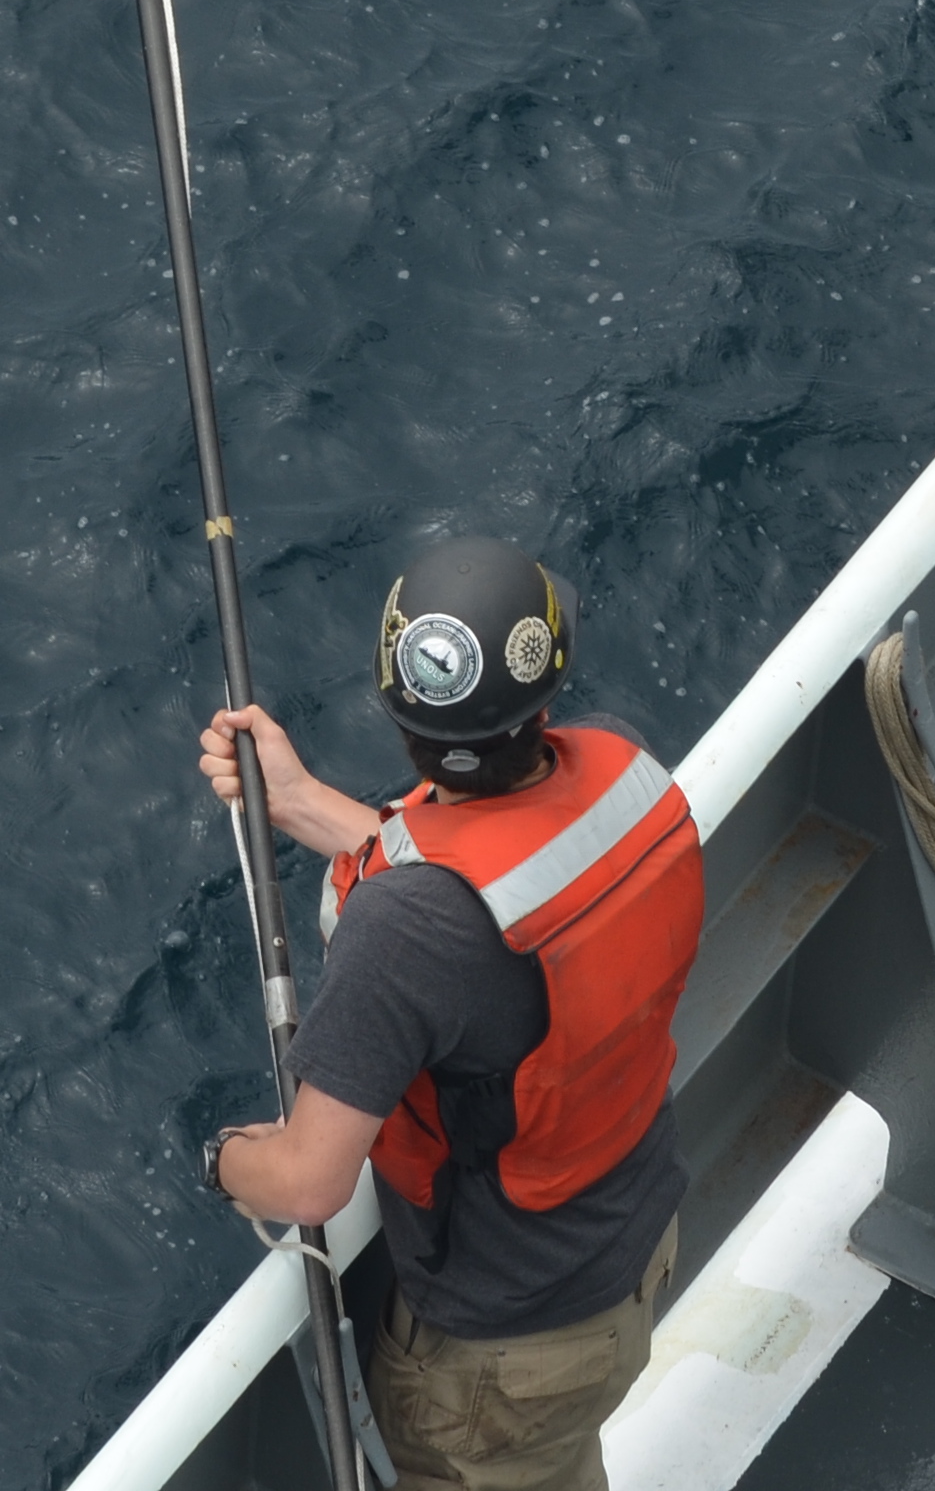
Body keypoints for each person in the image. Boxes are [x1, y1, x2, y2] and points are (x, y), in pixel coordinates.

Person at [200, 539, 703, 1491]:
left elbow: (307, 1184)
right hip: (638, 1252)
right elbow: (492, 893)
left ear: (402, 725)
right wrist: (297, 800)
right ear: (542, 706)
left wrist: (219, 1158)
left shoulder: (401, 932)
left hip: (508, 1357)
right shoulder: (625, 770)